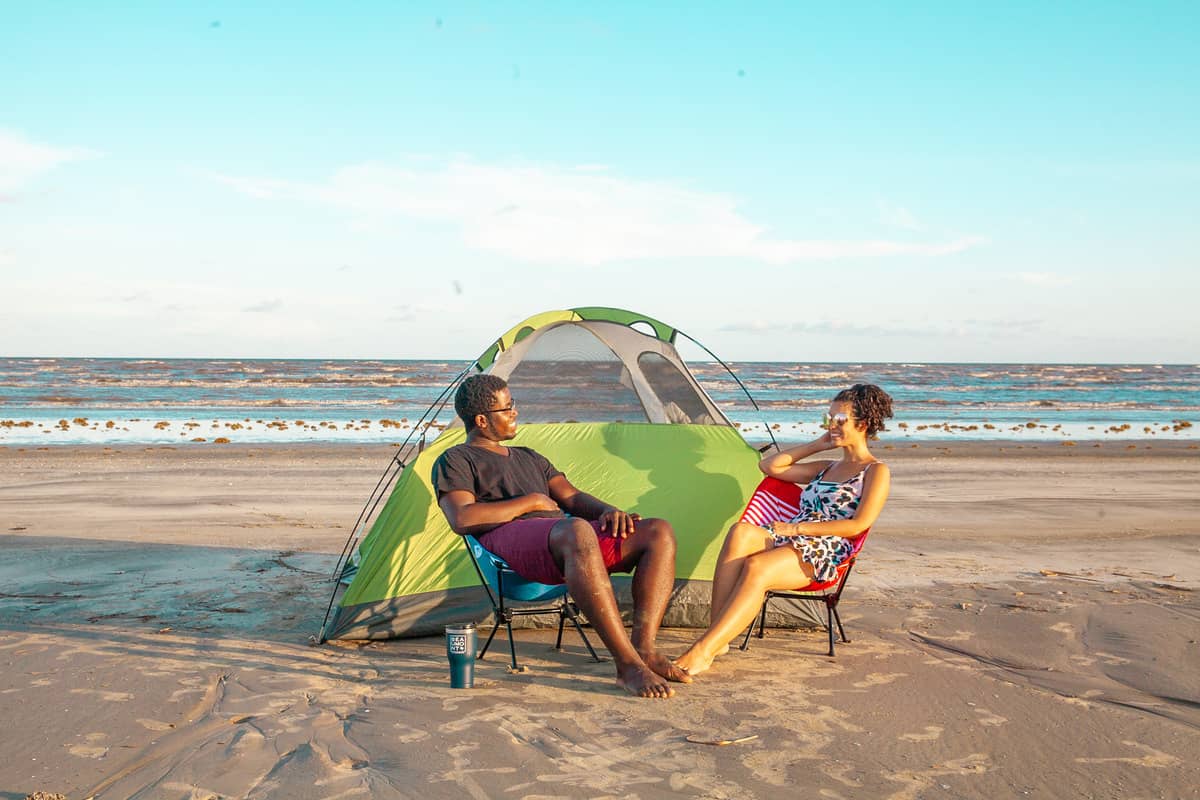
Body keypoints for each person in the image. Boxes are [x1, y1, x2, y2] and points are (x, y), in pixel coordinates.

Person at [433, 374, 691, 698]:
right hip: (511, 546)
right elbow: (462, 517)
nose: (515, 412)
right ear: (482, 420)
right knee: (576, 529)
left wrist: (608, 512)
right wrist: (531, 502)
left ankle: (645, 650)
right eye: (507, 407)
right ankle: (626, 666)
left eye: (513, 405)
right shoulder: (456, 459)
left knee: (658, 531)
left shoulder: (528, 456)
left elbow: (571, 497)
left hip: (563, 541)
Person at [674, 383, 894, 676]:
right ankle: (717, 637)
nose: (831, 425)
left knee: (756, 566)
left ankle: (702, 651)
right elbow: (770, 467)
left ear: (862, 424)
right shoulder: (826, 467)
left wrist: (795, 529)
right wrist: (818, 444)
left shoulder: (875, 471)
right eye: (828, 419)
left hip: (825, 548)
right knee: (741, 532)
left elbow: (858, 524)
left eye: (839, 420)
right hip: (791, 536)